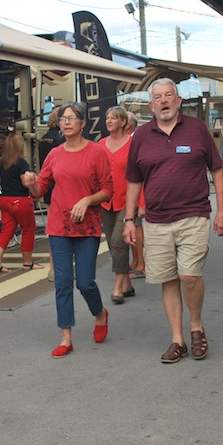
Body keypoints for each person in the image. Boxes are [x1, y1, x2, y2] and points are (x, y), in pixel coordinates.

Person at [123, 78, 223, 364]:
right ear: (151, 105)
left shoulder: (197, 130)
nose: (164, 101)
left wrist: (222, 211)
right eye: (158, 97)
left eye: (169, 95)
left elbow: (217, 170)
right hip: (156, 220)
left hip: (193, 215)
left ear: (178, 100)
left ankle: (196, 327)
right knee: (167, 280)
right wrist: (129, 220)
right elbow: (133, 181)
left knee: (189, 275)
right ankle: (177, 340)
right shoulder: (142, 137)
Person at [23, 101, 112, 358]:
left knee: (85, 282)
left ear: (83, 123)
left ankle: (99, 313)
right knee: (62, 282)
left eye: (73, 117)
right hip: (59, 225)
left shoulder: (96, 152)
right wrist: (30, 184)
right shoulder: (54, 154)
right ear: (59, 124)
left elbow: (108, 190)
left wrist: (86, 200)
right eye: (64, 118)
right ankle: (66, 337)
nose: (68, 122)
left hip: (88, 226)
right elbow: (40, 190)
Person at [99, 106, 145, 304]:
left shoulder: (133, 144)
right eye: (107, 118)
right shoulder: (100, 144)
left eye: (113, 118)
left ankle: (118, 286)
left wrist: (142, 203)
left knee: (118, 241)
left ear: (123, 122)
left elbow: (142, 175)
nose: (109, 121)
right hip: (105, 202)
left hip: (128, 202)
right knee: (112, 243)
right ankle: (127, 283)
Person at [0, 133, 42, 273]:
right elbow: (26, 182)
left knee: (6, 231)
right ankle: (27, 263)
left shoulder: (2, 162)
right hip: (20, 201)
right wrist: (34, 180)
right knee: (28, 229)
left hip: (5, 201)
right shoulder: (21, 163)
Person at [37, 106, 64, 282]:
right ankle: (61, 267)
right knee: (64, 230)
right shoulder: (60, 141)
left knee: (53, 229)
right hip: (62, 188)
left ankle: (53, 268)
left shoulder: (43, 139)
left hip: (48, 189)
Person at [125, 111, 146, 280]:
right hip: (124, 194)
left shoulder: (136, 141)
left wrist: (141, 201)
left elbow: (140, 173)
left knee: (136, 226)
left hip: (136, 193)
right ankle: (136, 261)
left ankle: (141, 263)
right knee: (132, 227)